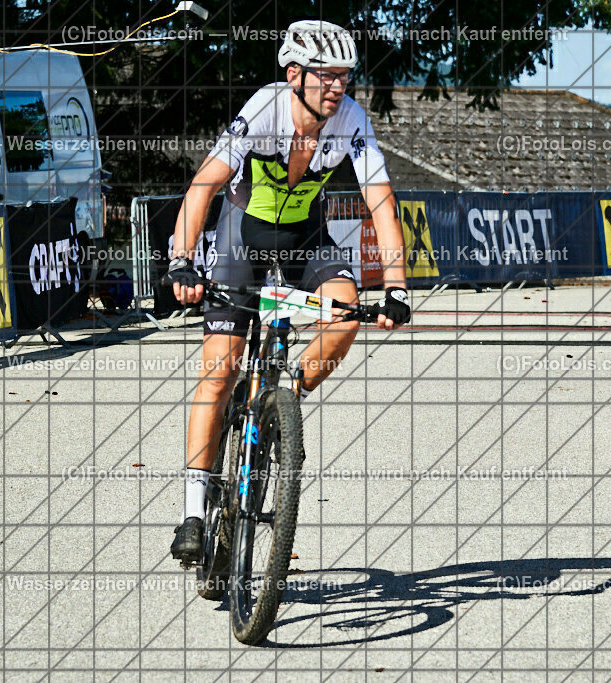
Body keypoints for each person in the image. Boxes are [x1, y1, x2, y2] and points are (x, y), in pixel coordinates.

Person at [166, 20, 412, 564]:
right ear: (294, 74)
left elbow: (381, 203)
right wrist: (181, 261)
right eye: (326, 76)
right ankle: (191, 510)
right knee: (220, 366)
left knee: (345, 317)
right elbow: (204, 184)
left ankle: (283, 402)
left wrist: (395, 286)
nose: (338, 87)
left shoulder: (350, 120)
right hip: (240, 237)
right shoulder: (264, 110)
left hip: (305, 238)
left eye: (345, 76)